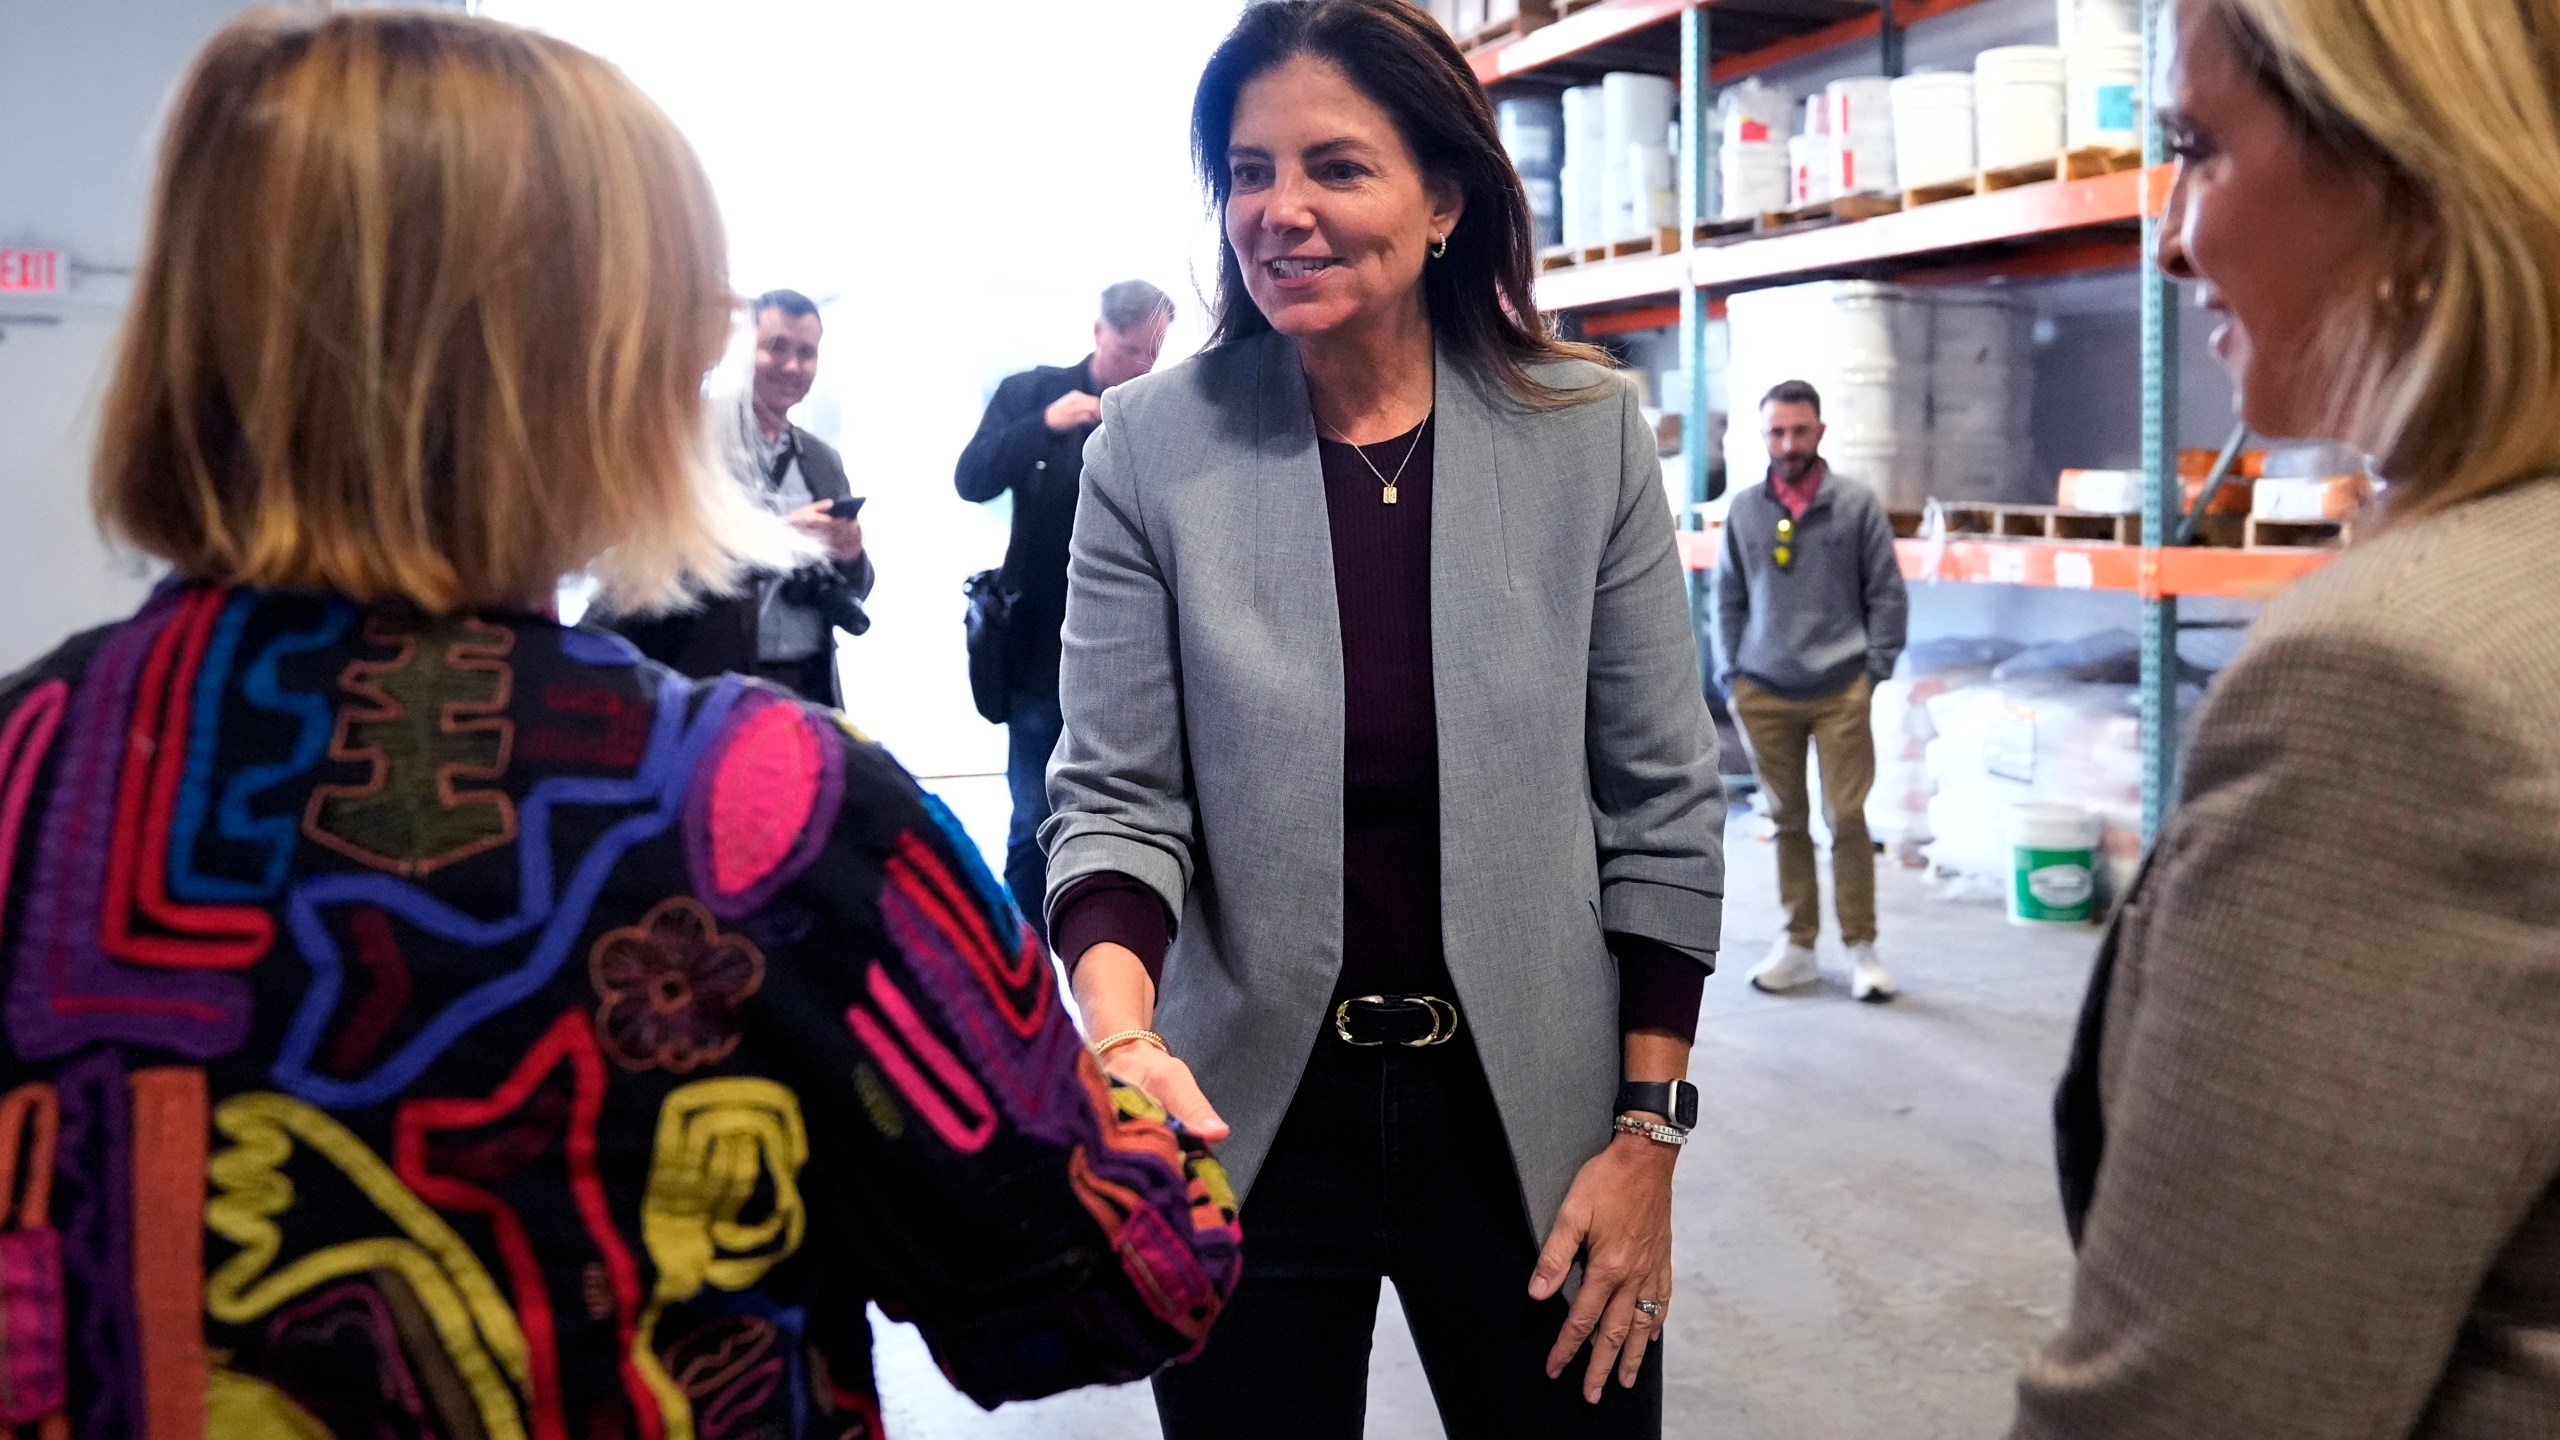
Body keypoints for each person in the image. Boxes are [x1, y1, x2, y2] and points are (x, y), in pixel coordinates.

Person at [0, 12, 1239, 1438]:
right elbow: (1108, 1284)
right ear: (585, 358)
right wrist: (1136, 1079)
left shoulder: (33, 768)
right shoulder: (761, 814)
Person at [1041, 3, 1725, 1435]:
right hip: (1244, 1117)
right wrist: (1119, 1040)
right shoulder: (1152, 451)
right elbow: (1114, 799)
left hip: (1529, 1114)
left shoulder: (1581, 431)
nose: (1278, 212)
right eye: (1245, 171)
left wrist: (1647, 1137)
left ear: (1445, 201)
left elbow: (1661, 801)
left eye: (1334, 168)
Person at [2012, 0, 2560, 1434]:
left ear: (2415, 181)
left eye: (2197, 148)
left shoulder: (2400, 684)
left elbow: (2198, 1402)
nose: (2169, 237)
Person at [955, 280, 1174, 936]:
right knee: (1031, 819)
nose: (1141, 366)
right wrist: (1045, 425)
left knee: (1129, 813)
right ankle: (1019, 972)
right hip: (1037, 648)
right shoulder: (1033, 393)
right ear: (1100, 332)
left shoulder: (1157, 410)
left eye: (1153, 354)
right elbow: (972, 479)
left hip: (1132, 648)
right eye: (1131, 350)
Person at [1712, 380, 1908, 1003]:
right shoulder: (1744, 510)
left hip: (1840, 688)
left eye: (1800, 430)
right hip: (1763, 691)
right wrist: (1733, 675)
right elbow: (1727, 597)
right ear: (1763, 435)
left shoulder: (1855, 506)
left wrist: (1873, 669)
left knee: (1845, 818)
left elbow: (1886, 593)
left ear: (1820, 431)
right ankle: (1798, 945)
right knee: (1786, 819)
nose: (1789, 443)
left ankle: (1862, 949)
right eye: (1777, 432)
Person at [609, 289, 874, 707]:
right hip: (708, 682)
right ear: (742, 351)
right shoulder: (683, 442)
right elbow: (642, 565)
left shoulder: (822, 460)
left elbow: (859, 585)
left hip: (807, 686)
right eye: (776, 347)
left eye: (807, 353)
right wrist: (775, 541)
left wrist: (850, 553)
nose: (792, 365)